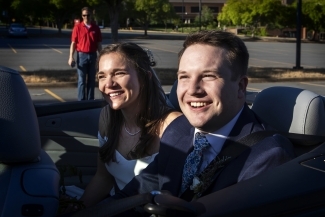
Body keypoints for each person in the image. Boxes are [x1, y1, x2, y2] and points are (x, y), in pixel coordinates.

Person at [104, 30, 295, 215]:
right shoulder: (177, 131)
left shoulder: (265, 156)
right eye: (184, 77)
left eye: (208, 76)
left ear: (240, 87)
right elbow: (132, 196)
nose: (193, 89)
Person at [76, 42, 181, 208]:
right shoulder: (107, 117)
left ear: (145, 77)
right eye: (102, 76)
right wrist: (78, 210)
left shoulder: (173, 127)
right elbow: (103, 178)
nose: (108, 84)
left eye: (119, 73)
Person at [68, 7, 102, 101]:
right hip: (81, 55)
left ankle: (90, 101)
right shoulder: (77, 27)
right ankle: (81, 101)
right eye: (84, 15)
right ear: (82, 16)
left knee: (91, 80)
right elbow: (73, 43)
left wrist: (102, 56)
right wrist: (71, 57)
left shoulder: (96, 28)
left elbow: (98, 43)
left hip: (92, 55)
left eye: (88, 15)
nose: (86, 17)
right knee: (81, 81)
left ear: (91, 15)